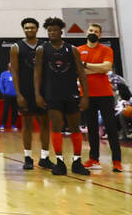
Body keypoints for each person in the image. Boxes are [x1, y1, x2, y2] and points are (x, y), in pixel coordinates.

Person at [34, 16, 91, 176]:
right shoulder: (42, 50)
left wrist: (85, 96)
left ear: (61, 31)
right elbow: (37, 74)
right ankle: (59, 161)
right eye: (49, 30)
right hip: (52, 95)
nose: (52, 32)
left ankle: (77, 161)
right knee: (57, 127)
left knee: (75, 128)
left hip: (71, 94)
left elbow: (81, 73)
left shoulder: (72, 49)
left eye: (55, 30)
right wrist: (38, 94)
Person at [10, 17, 54, 170]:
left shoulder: (45, 46)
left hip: (43, 90)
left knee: (44, 124)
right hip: (25, 90)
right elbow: (14, 72)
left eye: (32, 27)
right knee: (27, 125)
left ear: (37, 29)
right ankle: (28, 157)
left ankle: (45, 157)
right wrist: (18, 94)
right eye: (26, 28)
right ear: (23, 29)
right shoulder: (16, 47)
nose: (29, 30)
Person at [78, 23, 121, 171]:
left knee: (111, 127)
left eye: (96, 31)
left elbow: (107, 68)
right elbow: (79, 73)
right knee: (92, 128)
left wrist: (85, 65)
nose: (93, 33)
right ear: (86, 32)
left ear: (100, 35)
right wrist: (98, 69)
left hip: (105, 94)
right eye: (91, 30)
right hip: (87, 95)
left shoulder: (106, 49)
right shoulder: (78, 50)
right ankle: (93, 159)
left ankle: (117, 161)